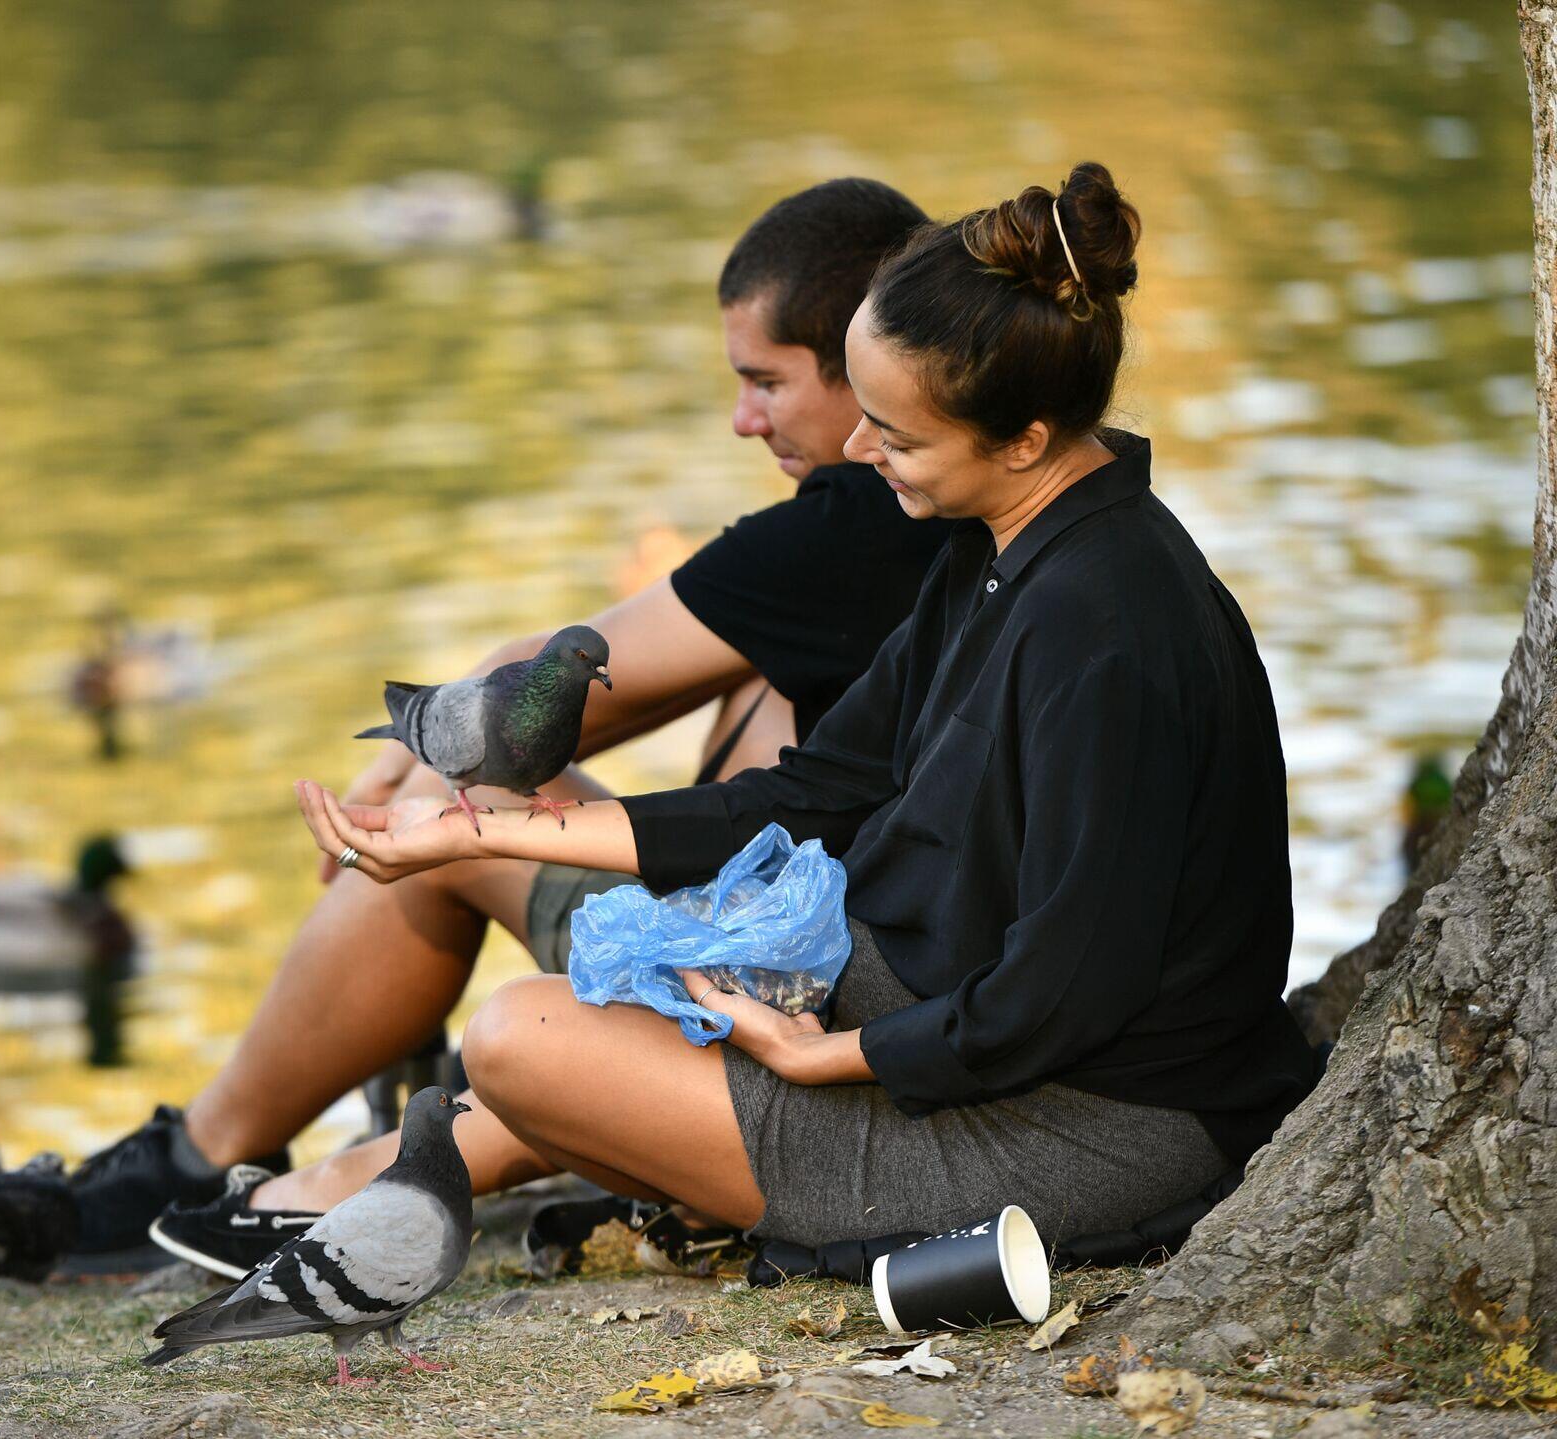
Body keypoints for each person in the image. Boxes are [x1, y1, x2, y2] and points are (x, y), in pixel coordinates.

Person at [286, 163, 1321, 1252]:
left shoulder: (1111, 631)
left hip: (1090, 1119)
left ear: (1022, 437)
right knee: (580, 994)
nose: (861, 454)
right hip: (960, 1012)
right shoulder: (995, 548)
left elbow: (1068, 986)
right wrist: (475, 824)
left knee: (517, 1039)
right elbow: (817, 788)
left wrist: (826, 1054)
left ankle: (654, 1166)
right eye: (864, 417)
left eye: (899, 435)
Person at [66, 178, 952, 1273]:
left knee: (450, 807)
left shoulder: (842, 532)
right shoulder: (965, 519)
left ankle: (213, 1153)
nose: (742, 417)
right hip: (838, 954)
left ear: (861, 365)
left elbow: (533, 682)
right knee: (477, 798)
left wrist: (398, 784)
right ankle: (324, 1148)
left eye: (763, 381)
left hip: (802, 986)